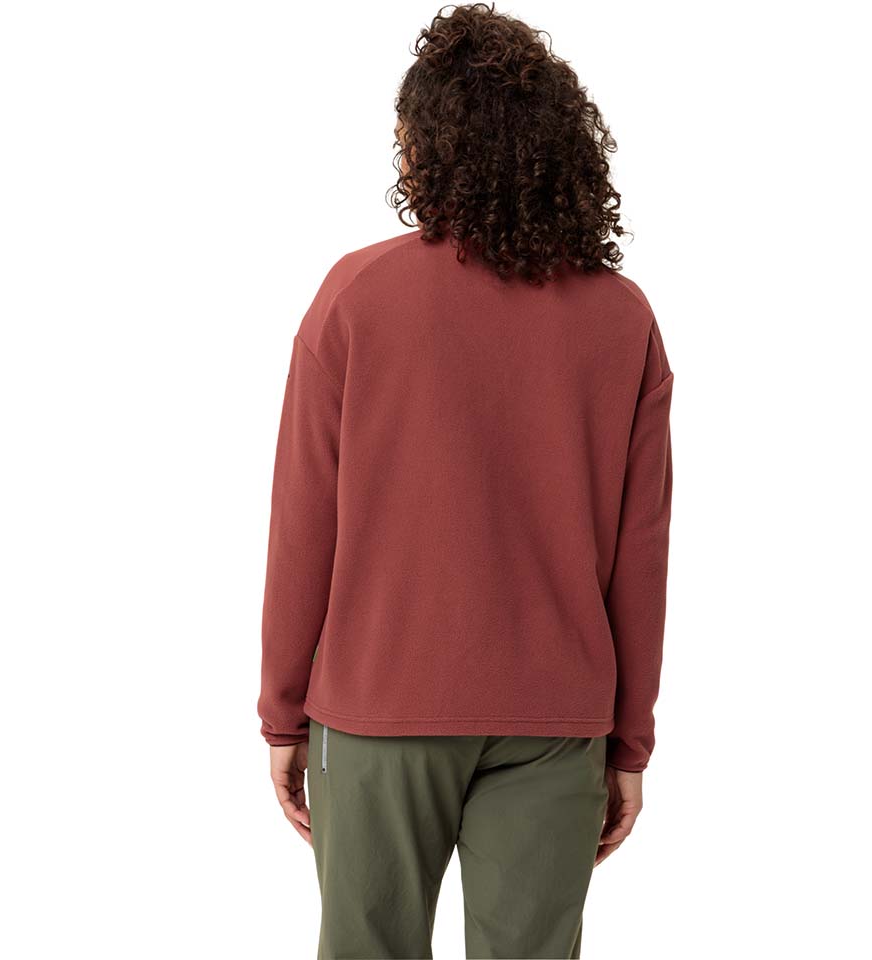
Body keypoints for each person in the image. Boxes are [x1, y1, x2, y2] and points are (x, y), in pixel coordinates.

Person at [257, 5, 673, 958]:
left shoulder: (356, 297)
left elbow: (302, 522)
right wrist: (629, 738)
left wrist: (282, 711)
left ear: (427, 149)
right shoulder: (622, 318)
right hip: (556, 715)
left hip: (378, 708)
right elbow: (640, 550)